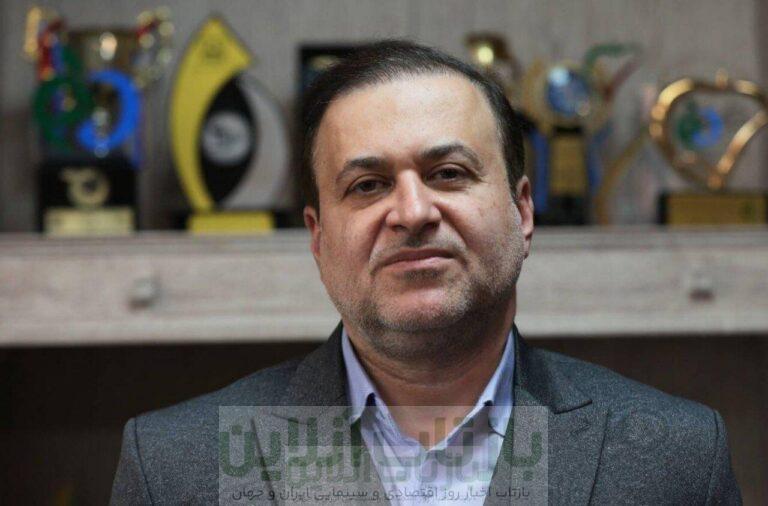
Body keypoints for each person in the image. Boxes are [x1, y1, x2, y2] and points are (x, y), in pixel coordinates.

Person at [110, 40, 742, 505]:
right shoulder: (174, 468)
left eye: (448, 174)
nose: (412, 212)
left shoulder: (677, 458)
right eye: (367, 185)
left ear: (523, 211)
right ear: (318, 237)